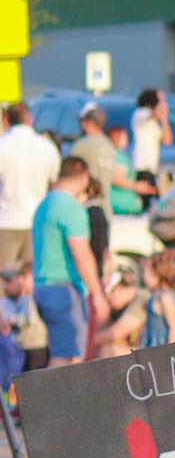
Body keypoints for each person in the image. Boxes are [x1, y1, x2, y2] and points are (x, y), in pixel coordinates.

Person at [31, 157, 107, 367]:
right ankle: (51, 400)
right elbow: (81, 254)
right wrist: (98, 293)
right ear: (83, 177)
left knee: (61, 353)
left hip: (43, 286)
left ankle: (48, 399)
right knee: (68, 357)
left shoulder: (44, 205)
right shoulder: (70, 208)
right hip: (64, 290)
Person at [0, 101, 59, 271]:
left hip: (6, 220)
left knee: (4, 280)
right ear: (30, 119)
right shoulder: (47, 147)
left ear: (6, 120)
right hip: (37, 220)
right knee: (33, 276)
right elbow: (54, 185)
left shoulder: (3, 145)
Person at [71, 104, 119, 275]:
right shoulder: (109, 146)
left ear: (88, 123)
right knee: (101, 260)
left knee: (85, 260)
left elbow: (71, 173)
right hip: (105, 208)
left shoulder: (81, 146)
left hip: (85, 209)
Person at [1, 265, 50, 372]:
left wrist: (11, 320)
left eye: (9, 281)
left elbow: (30, 319)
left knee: (35, 379)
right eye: (4, 282)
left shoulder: (29, 299)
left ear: (20, 280)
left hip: (36, 347)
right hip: (17, 348)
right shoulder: (5, 302)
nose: (5, 286)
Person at [131, 87, 173, 192]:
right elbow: (156, 113)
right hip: (141, 167)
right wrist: (161, 100)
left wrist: (164, 120)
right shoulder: (140, 114)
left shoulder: (154, 124)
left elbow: (167, 140)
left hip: (152, 168)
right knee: (151, 200)